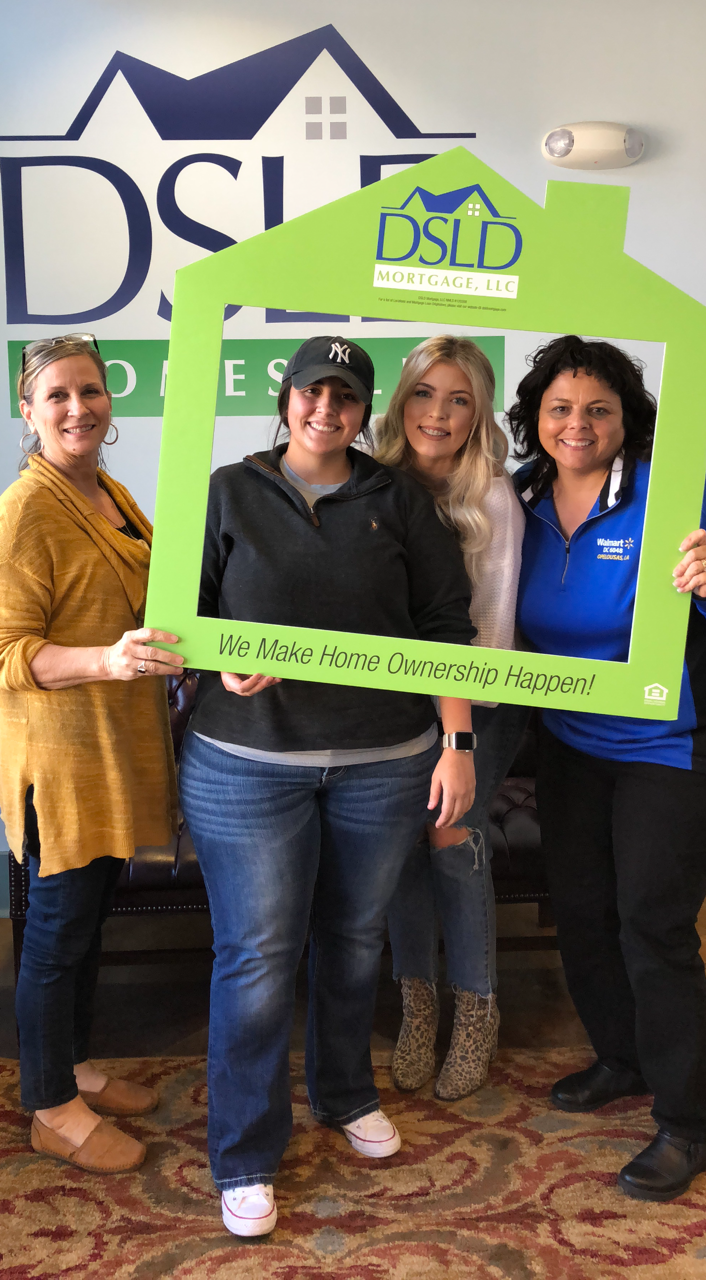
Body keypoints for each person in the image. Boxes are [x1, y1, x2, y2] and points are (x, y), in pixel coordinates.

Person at [178, 335, 477, 1237]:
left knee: (353, 941)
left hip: (383, 762)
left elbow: (443, 627)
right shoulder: (228, 490)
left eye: (346, 397)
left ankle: (344, 1095)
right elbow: (175, 620)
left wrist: (457, 742)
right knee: (258, 958)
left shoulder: (401, 502)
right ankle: (244, 1151)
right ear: (286, 398)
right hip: (247, 766)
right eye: (313, 391)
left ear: (363, 410)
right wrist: (216, 663)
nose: (327, 409)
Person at [508, 333, 706, 1202]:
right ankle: (622, 1060)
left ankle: (688, 1122)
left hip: (669, 746)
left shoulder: (681, 493)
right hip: (569, 742)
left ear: (628, 418)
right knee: (586, 914)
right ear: (535, 419)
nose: (578, 424)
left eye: (598, 408)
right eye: (560, 408)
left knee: (653, 925)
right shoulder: (518, 497)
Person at [0, 335, 184, 1175]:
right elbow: (7, 651)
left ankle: (71, 1068)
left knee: (86, 926)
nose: (80, 409)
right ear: (28, 411)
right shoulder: (26, 508)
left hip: (118, 749)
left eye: (92, 392)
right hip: (63, 761)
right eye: (59, 396)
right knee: (55, 936)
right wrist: (107, 661)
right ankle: (49, 1108)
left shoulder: (108, 490)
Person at [374, 336, 526, 1101]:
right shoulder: (369, 479)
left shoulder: (491, 491)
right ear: (402, 401)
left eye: (459, 398)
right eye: (425, 394)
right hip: (387, 703)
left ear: (478, 412)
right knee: (399, 840)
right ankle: (416, 1005)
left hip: (480, 701)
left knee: (449, 834)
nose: (439, 413)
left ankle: (476, 1012)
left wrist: (454, 739)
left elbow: (491, 636)